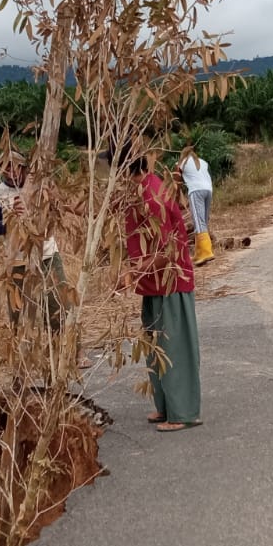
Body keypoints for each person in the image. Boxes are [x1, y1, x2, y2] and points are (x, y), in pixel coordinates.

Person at [0, 149, 90, 368]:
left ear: (24, 168)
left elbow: (61, 209)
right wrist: (10, 218)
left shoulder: (40, 186)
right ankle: (22, 361)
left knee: (60, 306)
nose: (10, 172)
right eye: (5, 168)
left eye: (15, 167)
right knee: (17, 313)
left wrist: (47, 204)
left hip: (47, 256)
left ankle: (75, 352)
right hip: (17, 260)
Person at [122, 149, 202, 432]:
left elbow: (168, 250)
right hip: (152, 285)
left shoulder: (152, 195)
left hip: (170, 283)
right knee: (155, 348)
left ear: (126, 169)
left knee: (174, 348)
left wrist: (132, 273)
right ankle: (166, 407)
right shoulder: (137, 193)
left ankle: (183, 412)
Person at [178, 150, 215, 264]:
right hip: (208, 190)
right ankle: (199, 253)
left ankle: (206, 252)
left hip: (196, 190)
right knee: (203, 221)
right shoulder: (203, 162)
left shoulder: (182, 162)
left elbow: (175, 180)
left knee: (198, 222)